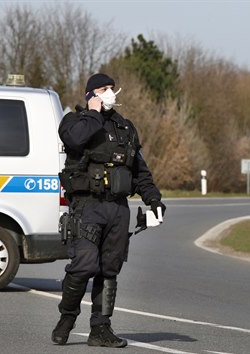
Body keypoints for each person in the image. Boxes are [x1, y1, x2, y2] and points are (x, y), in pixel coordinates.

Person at [52, 73, 166, 348]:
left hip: (117, 208)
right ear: (91, 93)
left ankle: (100, 329)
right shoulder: (75, 122)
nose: (110, 94)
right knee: (84, 265)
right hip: (87, 206)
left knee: (109, 269)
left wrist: (154, 200)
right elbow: (77, 140)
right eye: (103, 89)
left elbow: (139, 171)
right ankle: (67, 318)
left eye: (111, 89)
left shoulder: (125, 128)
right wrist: (93, 112)